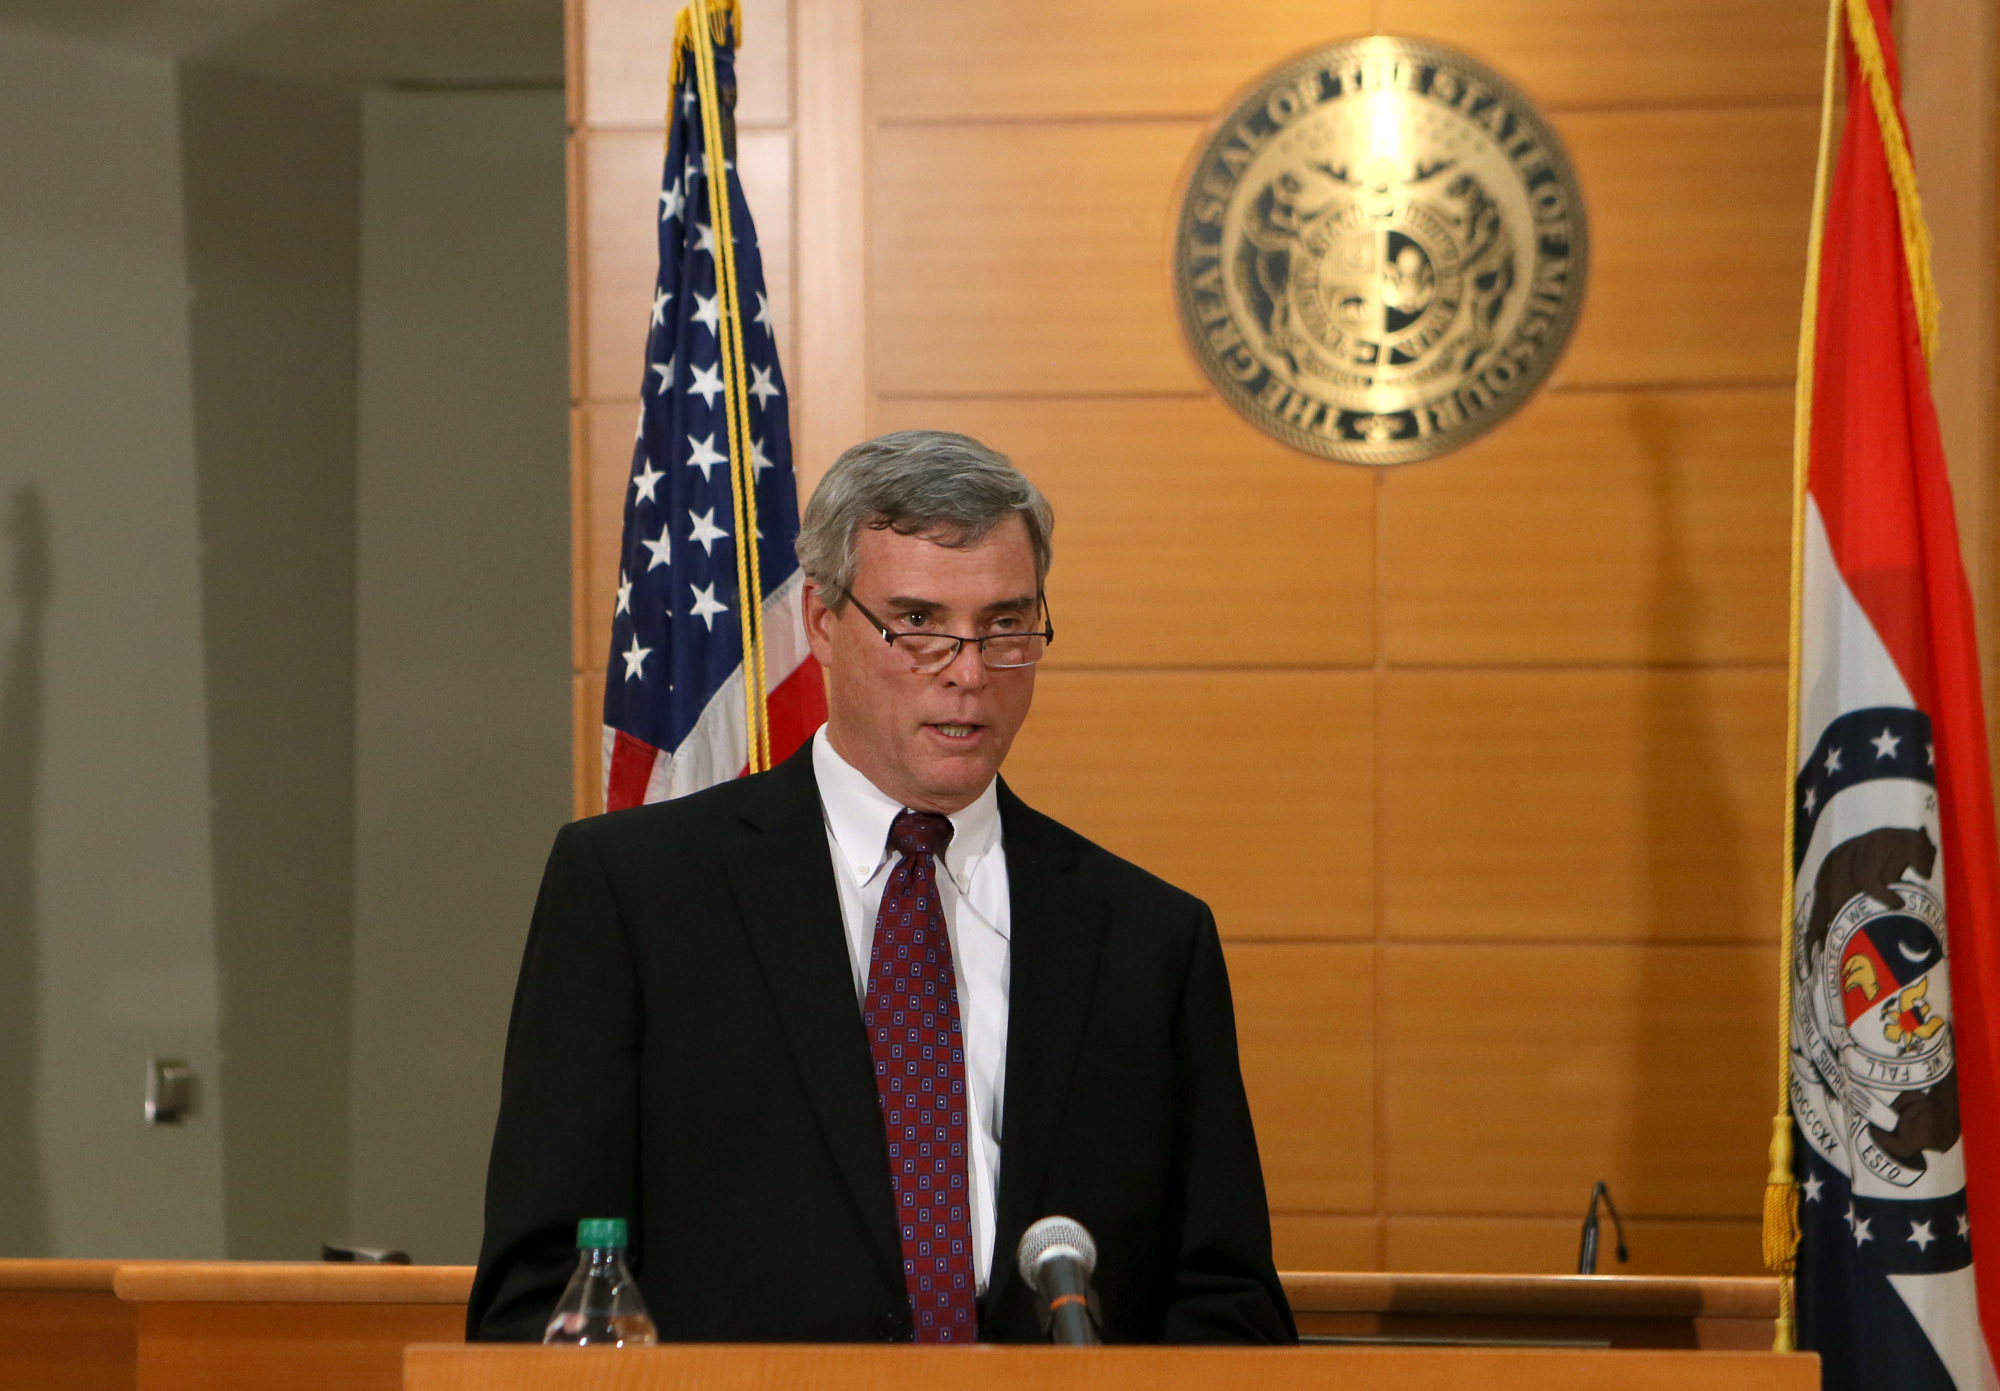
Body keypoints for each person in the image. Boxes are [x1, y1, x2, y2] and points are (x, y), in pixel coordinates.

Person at [467, 430, 1295, 1345]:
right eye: (919, 624)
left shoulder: (1148, 937)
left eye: (1006, 626)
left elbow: (1227, 1302)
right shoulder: (636, 896)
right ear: (823, 621)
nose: (970, 673)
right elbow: (543, 1294)